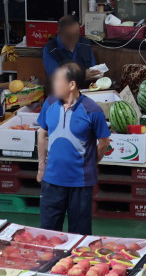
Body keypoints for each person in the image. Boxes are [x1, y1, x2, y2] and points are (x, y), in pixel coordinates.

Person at [35, 62, 110, 234]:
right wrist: (41, 167)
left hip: (80, 183)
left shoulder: (92, 110)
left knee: (80, 235)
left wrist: (90, 163)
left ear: (71, 85)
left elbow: (104, 142)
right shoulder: (50, 103)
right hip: (52, 181)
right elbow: (42, 134)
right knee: (48, 234)